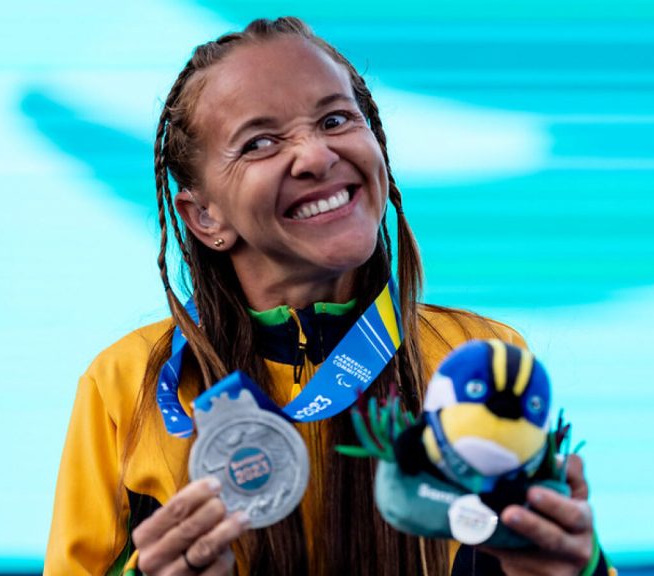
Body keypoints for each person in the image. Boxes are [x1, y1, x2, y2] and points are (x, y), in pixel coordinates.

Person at [45, 16, 613, 576]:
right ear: (203, 215)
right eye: (261, 142)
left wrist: (571, 569)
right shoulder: (127, 386)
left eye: (336, 118)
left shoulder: (479, 359)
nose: (316, 156)